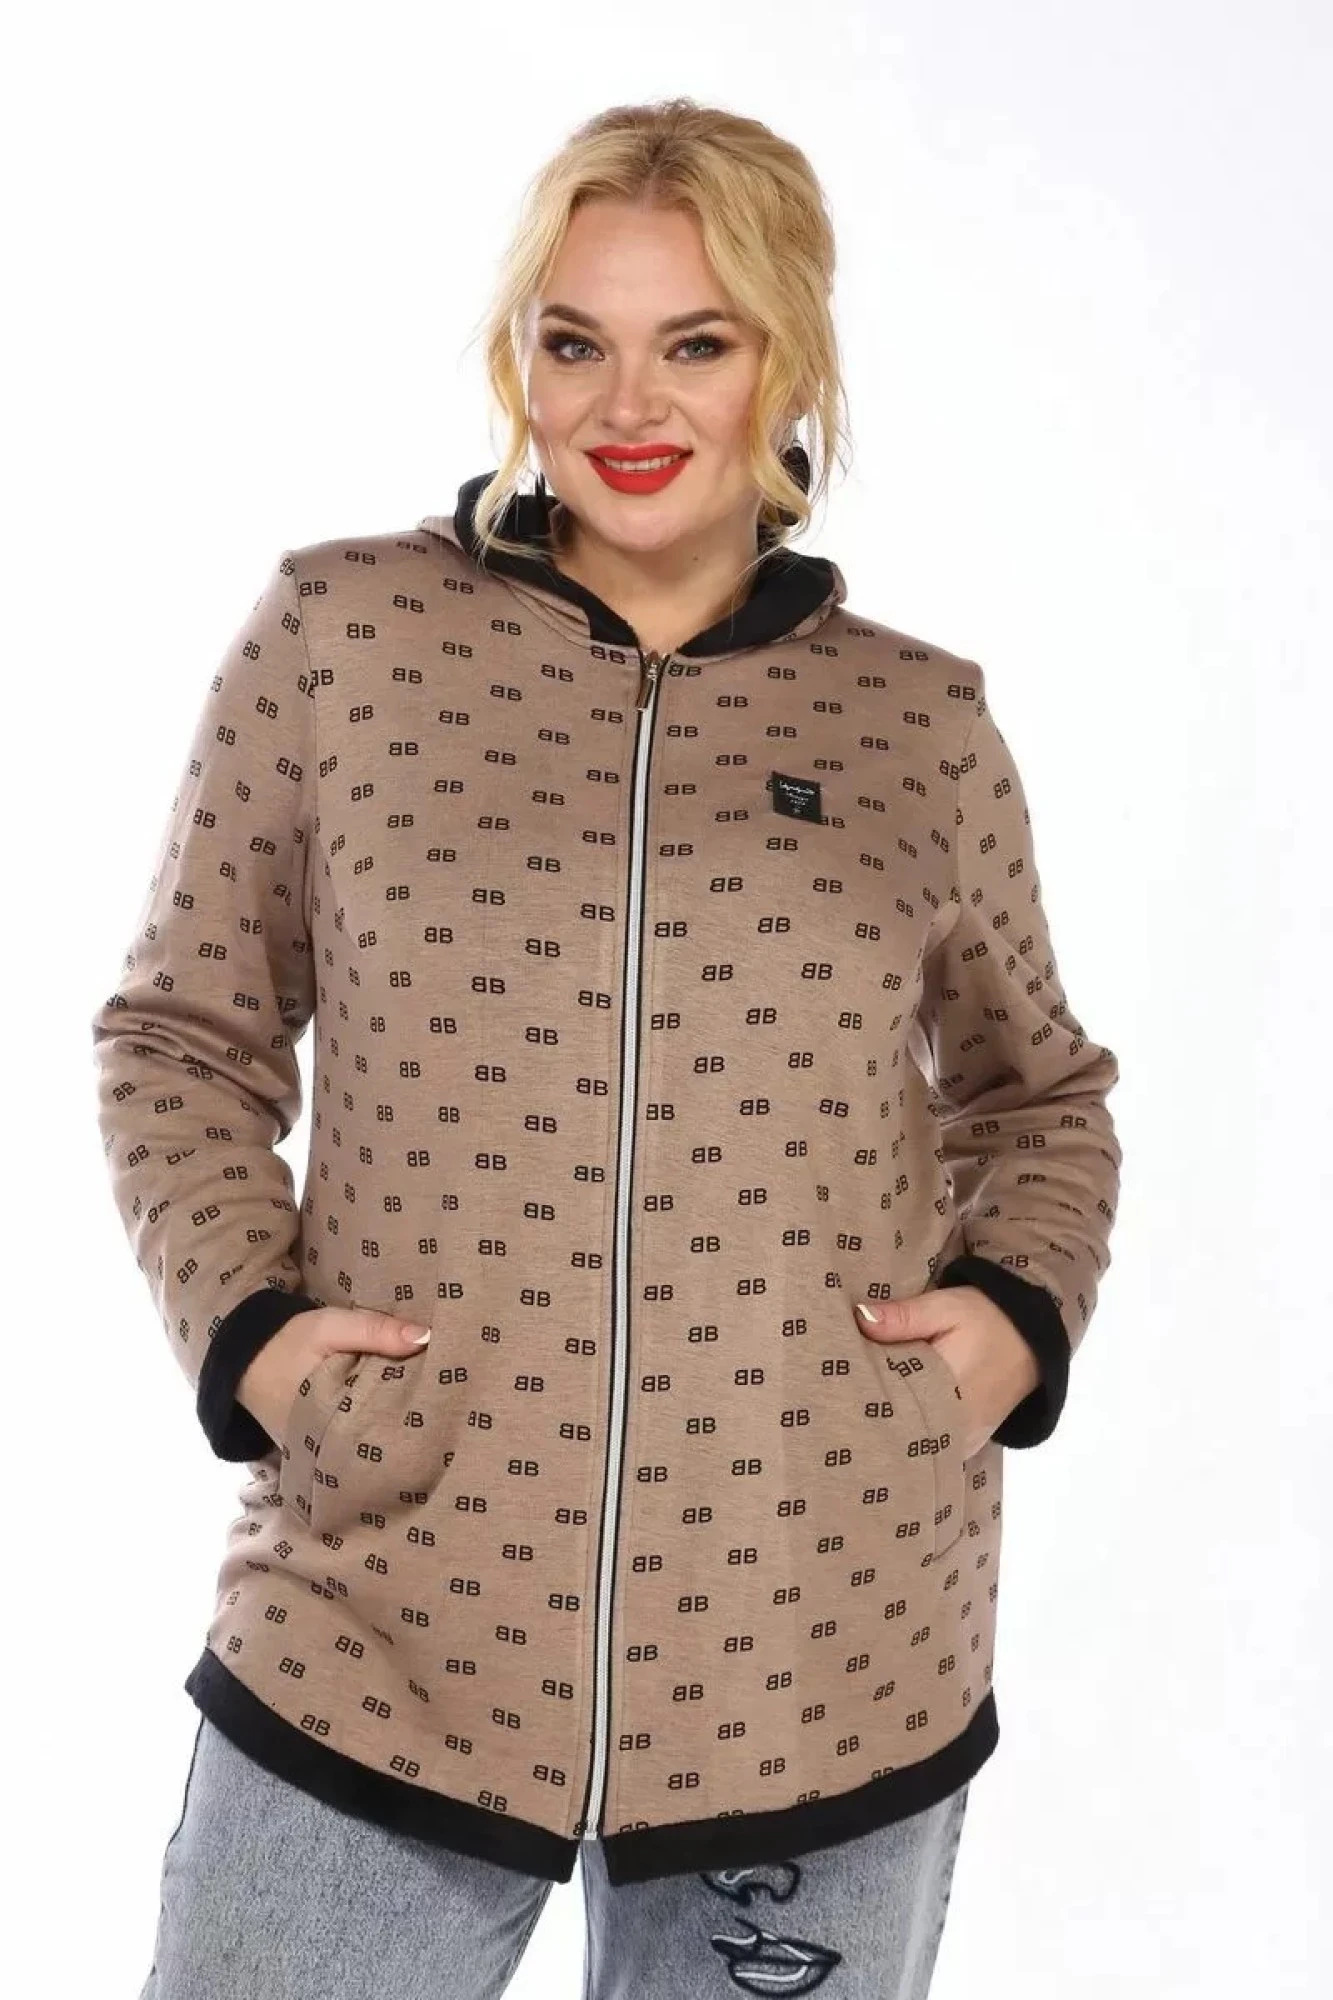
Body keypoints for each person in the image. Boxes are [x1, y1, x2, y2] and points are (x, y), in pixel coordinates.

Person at [92, 96, 1122, 1999]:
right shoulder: (345, 638)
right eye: (576, 342)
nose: (628, 405)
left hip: (816, 1641)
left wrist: (1011, 1316)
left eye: (696, 344)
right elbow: (182, 1035)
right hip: (383, 1610)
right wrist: (251, 1332)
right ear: (522, 363)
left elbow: (1040, 1097)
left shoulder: (917, 724)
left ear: (788, 362)